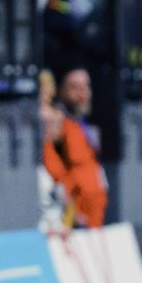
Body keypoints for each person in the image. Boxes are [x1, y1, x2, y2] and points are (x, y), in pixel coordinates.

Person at [45, 67, 108, 229]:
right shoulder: (58, 124)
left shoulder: (85, 124)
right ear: (60, 90)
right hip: (75, 221)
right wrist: (71, 216)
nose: (82, 94)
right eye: (75, 87)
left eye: (86, 87)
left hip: (95, 218)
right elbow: (56, 174)